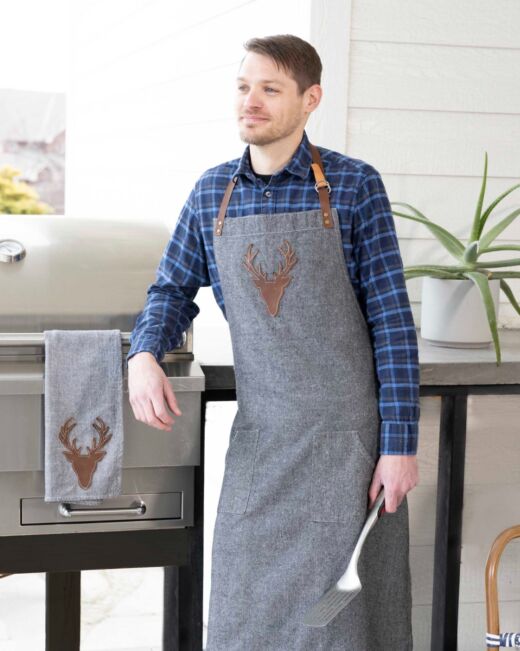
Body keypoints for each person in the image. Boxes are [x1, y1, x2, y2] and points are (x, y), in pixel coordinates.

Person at [127, 33, 419, 650]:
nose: (250, 101)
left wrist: (399, 446)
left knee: (340, 624)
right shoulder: (212, 193)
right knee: (244, 614)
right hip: (262, 442)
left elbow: (393, 324)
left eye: (270, 89)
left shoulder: (353, 185)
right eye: (243, 87)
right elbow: (171, 290)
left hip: (346, 447)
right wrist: (144, 353)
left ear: (310, 99)